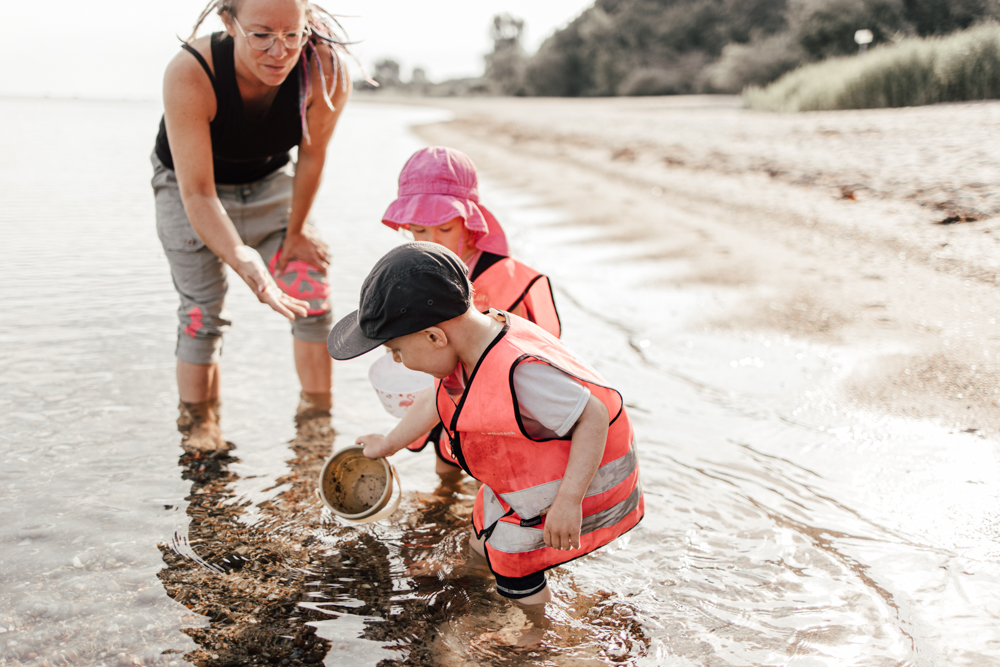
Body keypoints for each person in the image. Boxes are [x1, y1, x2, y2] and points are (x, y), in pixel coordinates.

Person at [327, 242, 643, 607]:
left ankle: (535, 630)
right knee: (484, 530)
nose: (397, 361)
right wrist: (389, 443)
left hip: (586, 478)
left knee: (513, 559)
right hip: (530, 475)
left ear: (434, 337)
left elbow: (593, 416)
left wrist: (569, 501)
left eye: (396, 350)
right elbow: (436, 400)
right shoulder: (464, 346)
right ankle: (476, 566)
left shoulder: (522, 374)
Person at [152, 0, 352, 452]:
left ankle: (317, 422)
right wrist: (242, 257)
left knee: (310, 289)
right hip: (190, 187)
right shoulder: (190, 72)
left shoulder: (325, 69)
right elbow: (198, 194)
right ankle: (201, 429)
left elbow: (312, 156)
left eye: (292, 34)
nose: (279, 51)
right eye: (261, 35)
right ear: (229, 22)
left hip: (270, 183)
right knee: (202, 315)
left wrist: (297, 231)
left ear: (307, 27)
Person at [381, 147, 562, 470]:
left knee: (498, 470)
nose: (432, 240)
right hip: (444, 395)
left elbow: (526, 357)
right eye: (419, 230)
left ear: (470, 222)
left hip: (501, 402)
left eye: (445, 229)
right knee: (445, 466)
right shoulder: (418, 272)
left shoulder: (504, 278)